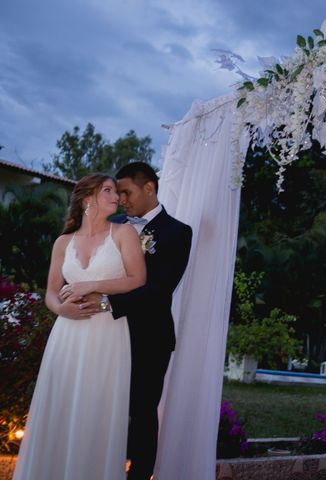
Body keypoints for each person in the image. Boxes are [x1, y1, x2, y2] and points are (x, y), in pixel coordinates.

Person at [13, 174, 146, 480]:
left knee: (95, 408)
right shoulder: (63, 242)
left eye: (116, 191)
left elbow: (138, 279)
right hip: (67, 333)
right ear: (88, 199)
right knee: (60, 403)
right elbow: (50, 291)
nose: (117, 197)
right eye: (109, 191)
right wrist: (61, 309)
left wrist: (92, 284)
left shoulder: (124, 234)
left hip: (107, 333)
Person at [82, 162, 192, 480]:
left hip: (149, 337)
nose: (122, 200)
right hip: (106, 334)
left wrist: (105, 302)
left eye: (126, 192)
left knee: (141, 411)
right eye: (118, 193)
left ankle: (139, 475)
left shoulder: (177, 232)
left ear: (149, 188)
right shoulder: (112, 225)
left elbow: (159, 290)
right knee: (103, 408)